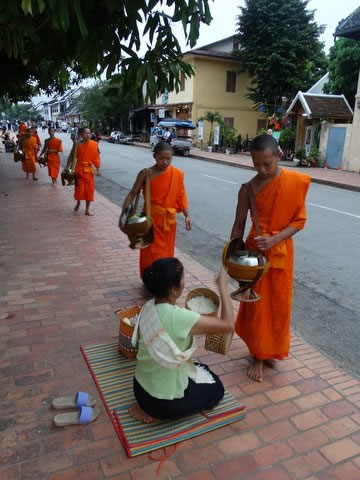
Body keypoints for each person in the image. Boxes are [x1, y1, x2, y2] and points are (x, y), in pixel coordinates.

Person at [230, 134, 310, 382]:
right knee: (257, 307)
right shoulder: (248, 189)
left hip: (282, 253)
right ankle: (257, 353)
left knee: (278, 305)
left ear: (279, 156)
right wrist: (232, 254)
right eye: (256, 164)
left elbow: (299, 221)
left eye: (267, 164)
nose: (262, 169)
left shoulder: (295, 182)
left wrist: (275, 239)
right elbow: (239, 224)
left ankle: (270, 350)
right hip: (255, 255)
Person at [129, 258, 234, 423]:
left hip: (139, 389)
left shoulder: (148, 306)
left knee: (201, 368)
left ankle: (148, 408)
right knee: (216, 388)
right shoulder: (178, 317)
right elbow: (228, 325)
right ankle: (156, 416)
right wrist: (223, 287)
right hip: (159, 403)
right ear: (173, 289)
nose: (185, 282)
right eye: (183, 279)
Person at [119, 141, 192, 277]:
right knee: (151, 253)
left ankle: (163, 280)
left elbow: (181, 195)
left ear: (172, 157)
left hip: (168, 222)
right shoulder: (146, 173)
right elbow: (132, 194)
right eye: (161, 158)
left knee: (166, 253)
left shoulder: (177, 174)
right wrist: (123, 216)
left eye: (168, 158)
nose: (165, 162)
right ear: (154, 156)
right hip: (149, 222)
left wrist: (187, 215)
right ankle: (150, 279)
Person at [67, 127, 101, 216]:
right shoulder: (77, 144)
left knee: (89, 191)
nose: (88, 135)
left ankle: (87, 209)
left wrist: (98, 169)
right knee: (79, 190)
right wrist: (67, 167)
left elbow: (96, 157)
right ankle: (78, 202)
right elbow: (71, 156)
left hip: (89, 171)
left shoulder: (94, 144)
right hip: (79, 170)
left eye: (89, 133)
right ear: (81, 134)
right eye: (86, 133)